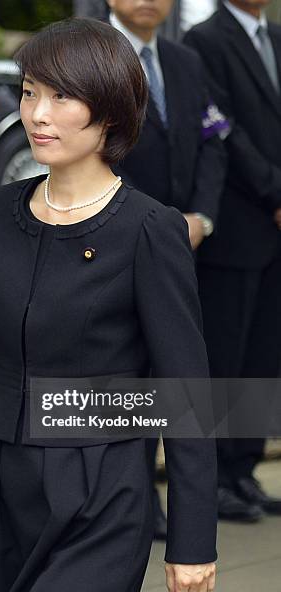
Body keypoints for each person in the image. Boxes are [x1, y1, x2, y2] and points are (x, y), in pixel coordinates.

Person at [0, 17, 218, 592]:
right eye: (30, 92)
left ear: (108, 112)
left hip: (102, 491)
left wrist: (192, 539)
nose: (37, 114)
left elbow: (186, 393)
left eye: (61, 96)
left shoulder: (150, 230)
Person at [107, 0, 227, 540]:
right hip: (113, 243)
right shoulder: (95, 59)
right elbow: (91, 155)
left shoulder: (183, 60)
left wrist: (199, 216)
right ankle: (130, 495)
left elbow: (212, 141)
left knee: (173, 375)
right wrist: (149, 223)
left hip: (184, 245)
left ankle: (172, 496)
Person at [184, 0, 281, 522]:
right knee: (224, 354)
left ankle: (244, 468)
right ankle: (213, 477)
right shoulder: (206, 40)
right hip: (239, 221)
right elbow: (225, 133)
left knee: (265, 354)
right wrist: (275, 193)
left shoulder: (278, 38)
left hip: (276, 232)